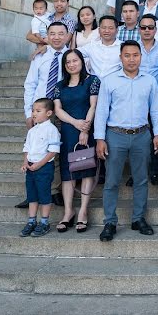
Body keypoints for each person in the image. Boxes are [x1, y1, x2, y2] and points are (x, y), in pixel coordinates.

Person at [95, 41, 158, 240]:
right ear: (120, 57)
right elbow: (101, 112)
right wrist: (100, 138)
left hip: (142, 135)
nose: (131, 59)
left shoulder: (149, 81)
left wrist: (157, 134)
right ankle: (109, 222)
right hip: (115, 135)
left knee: (141, 180)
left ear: (141, 57)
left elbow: (155, 109)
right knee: (112, 181)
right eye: (127, 55)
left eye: (135, 55)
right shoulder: (109, 81)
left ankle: (138, 218)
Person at [53, 50, 99, 233]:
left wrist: (85, 129)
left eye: (75, 60)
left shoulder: (92, 81)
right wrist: (75, 123)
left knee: (86, 169)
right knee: (67, 172)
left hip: (86, 130)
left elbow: (93, 105)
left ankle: (83, 212)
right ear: (64, 66)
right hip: (68, 130)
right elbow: (57, 109)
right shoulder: (60, 85)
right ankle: (68, 211)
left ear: (82, 61)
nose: (72, 64)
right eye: (68, 62)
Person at [19, 98, 61, 237]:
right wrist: (26, 162)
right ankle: (32, 221)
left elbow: (53, 151)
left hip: (44, 168)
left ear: (49, 113)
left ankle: (44, 222)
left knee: (44, 195)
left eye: (38, 111)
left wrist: (39, 164)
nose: (34, 114)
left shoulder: (52, 130)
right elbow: (27, 148)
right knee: (32, 195)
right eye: (33, 111)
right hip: (31, 167)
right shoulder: (32, 131)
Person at [138, 15, 158, 186]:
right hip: (136, 98)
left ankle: (155, 170)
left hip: (157, 97)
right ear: (139, 30)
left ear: (155, 30)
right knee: (139, 137)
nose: (147, 30)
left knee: (156, 135)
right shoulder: (134, 48)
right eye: (143, 27)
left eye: (150, 27)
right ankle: (139, 171)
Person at [23, 22, 69, 129]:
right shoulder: (39, 56)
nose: (56, 37)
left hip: (64, 110)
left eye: (61, 34)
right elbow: (30, 85)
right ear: (47, 36)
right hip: (41, 112)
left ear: (67, 36)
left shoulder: (72, 57)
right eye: (52, 34)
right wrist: (29, 114)